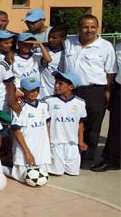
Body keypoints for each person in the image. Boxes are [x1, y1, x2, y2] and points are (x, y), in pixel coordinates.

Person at [62, 15, 117, 169]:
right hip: (72, 90)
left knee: (92, 126)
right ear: (79, 28)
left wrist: (107, 90)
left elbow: (110, 72)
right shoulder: (69, 43)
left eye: (93, 27)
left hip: (95, 90)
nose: (89, 30)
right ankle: (70, 157)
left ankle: (88, 159)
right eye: (86, 27)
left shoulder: (105, 46)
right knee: (70, 124)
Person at [7, 77, 51, 183]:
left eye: (37, 89)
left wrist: (48, 142)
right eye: (31, 90)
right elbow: (16, 130)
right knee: (23, 179)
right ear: (22, 90)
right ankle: (3, 168)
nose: (34, 92)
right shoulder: (19, 107)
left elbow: (47, 123)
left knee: (40, 179)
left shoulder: (43, 105)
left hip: (41, 150)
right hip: (25, 150)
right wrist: (27, 152)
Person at [43, 72, 87, 176]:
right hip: (55, 143)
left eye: (60, 83)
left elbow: (80, 123)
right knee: (57, 173)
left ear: (71, 87)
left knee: (73, 173)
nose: (56, 86)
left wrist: (81, 141)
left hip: (72, 144)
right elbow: (46, 123)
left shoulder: (80, 103)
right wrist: (46, 141)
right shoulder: (48, 101)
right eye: (56, 83)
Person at [93, 41, 121, 172]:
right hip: (119, 88)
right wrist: (109, 90)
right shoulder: (118, 47)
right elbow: (113, 70)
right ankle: (113, 159)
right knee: (116, 126)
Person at [11, 33, 51, 98]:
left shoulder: (36, 57)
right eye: (25, 44)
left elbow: (48, 60)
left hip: (35, 91)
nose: (27, 46)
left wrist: (40, 44)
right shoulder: (12, 57)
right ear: (18, 44)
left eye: (30, 44)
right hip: (20, 92)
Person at [40, 26, 67, 98]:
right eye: (49, 37)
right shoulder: (41, 50)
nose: (50, 40)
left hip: (60, 94)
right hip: (42, 94)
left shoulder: (67, 53)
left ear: (63, 39)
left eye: (54, 38)